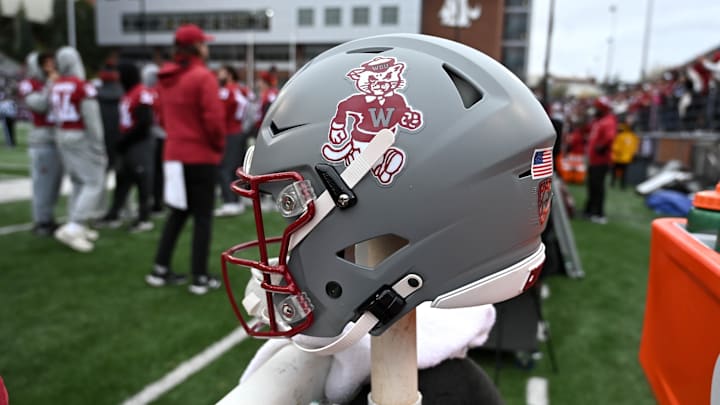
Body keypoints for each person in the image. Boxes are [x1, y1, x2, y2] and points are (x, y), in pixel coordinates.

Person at [145, 24, 225, 294]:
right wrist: (217, 147)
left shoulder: (165, 78)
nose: (207, 47)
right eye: (204, 43)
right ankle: (200, 277)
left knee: (177, 213)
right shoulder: (202, 77)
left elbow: (160, 115)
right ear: (196, 47)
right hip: (200, 155)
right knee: (202, 217)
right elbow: (214, 121)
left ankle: (160, 267)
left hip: (173, 153)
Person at [50, 46, 107, 252]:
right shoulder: (82, 86)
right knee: (93, 182)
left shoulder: (57, 85)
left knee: (77, 181)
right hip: (80, 135)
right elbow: (92, 119)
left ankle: (77, 224)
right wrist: (99, 144)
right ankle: (74, 227)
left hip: (63, 134)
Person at [99, 62, 155, 232]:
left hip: (139, 144)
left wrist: (125, 140)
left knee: (142, 180)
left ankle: (143, 218)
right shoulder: (129, 93)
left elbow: (144, 122)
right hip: (128, 143)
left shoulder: (140, 92)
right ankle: (114, 214)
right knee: (122, 180)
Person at [19, 51, 64, 236]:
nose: (50, 66)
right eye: (45, 63)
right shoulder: (29, 84)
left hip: (57, 137)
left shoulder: (53, 80)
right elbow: (39, 105)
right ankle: (42, 221)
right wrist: (51, 85)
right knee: (43, 184)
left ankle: (48, 217)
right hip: (42, 139)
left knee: (54, 183)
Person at [214, 65, 250, 217]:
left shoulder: (226, 90)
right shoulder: (242, 89)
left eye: (221, 72)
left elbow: (219, 113)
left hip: (228, 132)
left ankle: (230, 202)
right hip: (240, 131)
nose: (218, 75)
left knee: (225, 168)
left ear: (228, 74)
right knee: (236, 167)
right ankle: (237, 200)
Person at [584, 96, 617, 224]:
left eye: (597, 108)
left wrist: (601, 146)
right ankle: (590, 210)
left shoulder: (608, 121)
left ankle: (599, 213)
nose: (595, 110)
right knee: (592, 185)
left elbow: (610, 137)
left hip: (601, 161)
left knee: (598, 186)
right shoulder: (600, 120)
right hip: (594, 160)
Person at [141, 63, 166, 215]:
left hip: (148, 137)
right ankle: (158, 201)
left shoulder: (143, 92)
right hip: (162, 135)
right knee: (159, 173)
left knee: (150, 172)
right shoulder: (162, 92)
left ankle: (150, 202)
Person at [610, 121, 639, 189]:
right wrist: (633, 154)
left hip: (619, 157)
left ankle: (614, 183)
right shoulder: (633, 137)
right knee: (623, 172)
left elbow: (615, 146)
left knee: (615, 171)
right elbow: (634, 148)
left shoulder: (621, 136)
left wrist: (617, 152)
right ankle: (622, 185)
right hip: (625, 158)